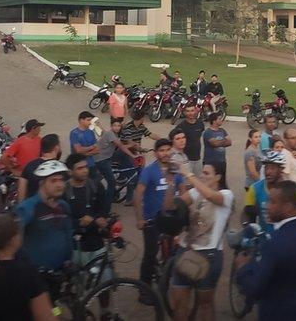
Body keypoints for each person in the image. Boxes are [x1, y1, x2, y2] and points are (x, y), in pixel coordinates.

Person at [237, 180, 296, 321]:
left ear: (288, 207)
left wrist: (243, 268)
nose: (267, 206)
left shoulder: (274, 242)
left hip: (277, 312)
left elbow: (254, 288)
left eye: (272, 202)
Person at [170, 162, 233, 321]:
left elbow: (211, 196)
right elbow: (173, 206)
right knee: (179, 304)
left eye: (206, 173)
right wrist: (170, 180)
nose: (202, 176)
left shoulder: (226, 195)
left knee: (205, 305)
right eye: (201, 173)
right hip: (185, 251)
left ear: (218, 177)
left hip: (208, 256)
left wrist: (188, 175)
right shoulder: (195, 192)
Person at [133, 138, 186, 285]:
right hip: (152, 220)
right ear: (156, 154)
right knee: (150, 255)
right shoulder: (149, 171)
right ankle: (144, 288)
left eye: (168, 150)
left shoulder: (176, 169)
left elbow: (183, 194)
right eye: (161, 151)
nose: (165, 153)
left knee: (177, 252)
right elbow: (137, 195)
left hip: (172, 219)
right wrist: (139, 219)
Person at [14, 160, 73, 273]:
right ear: (42, 183)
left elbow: (68, 235)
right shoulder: (27, 208)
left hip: (60, 273)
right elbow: (13, 242)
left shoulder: (64, 206)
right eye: (53, 181)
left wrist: (68, 260)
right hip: (34, 275)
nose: (60, 185)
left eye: (62, 180)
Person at [63, 154, 110, 282]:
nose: (85, 170)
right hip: (74, 247)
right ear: (70, 171)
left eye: (86, 167)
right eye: (79, 168)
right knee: (74, 285)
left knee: (104, 282)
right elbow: (61, 220)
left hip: (96, 243)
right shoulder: (63, 191)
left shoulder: (96, 186)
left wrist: (98, 219)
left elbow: (104, 209)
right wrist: (78, 223)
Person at [244, 151, 296, 234]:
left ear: (281, 169)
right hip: (265, 239)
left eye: (272, 168)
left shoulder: (292, 188)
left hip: (288, 236)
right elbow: (247, 212)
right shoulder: (254, 188)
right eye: (266, 168)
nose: (268, 172)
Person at [93, 117, 135, 204]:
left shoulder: (111, 134)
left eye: (118, 126)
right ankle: (122, 177)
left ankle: (123, 177)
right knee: (125, 156)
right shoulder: (111, 134)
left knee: (125, 157)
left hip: (106, 157)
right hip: (103, 159)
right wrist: (133, 156)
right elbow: (121, 146)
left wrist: (99, 125)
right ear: (111, 126)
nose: (117, 127)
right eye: (114, 125)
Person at [19, 134, 62, 200]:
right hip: (54, 207)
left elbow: (21, 192)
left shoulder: (29, 165)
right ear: (56, 148)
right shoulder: (61, 167)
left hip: (32, 207)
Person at [169, 104, 205, 175]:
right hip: (186, 160)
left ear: (195, 111)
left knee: (198, 181)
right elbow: (171, 139)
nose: (190, 113)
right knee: (187, 182)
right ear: (184, 113)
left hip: (198, 159)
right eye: (188, 111)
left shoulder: (200, 123)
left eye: (192, 110)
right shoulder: (181, 126)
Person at [69, 111, 100, 181]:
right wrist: (91, 147)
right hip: (79, 166)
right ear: (81, 120)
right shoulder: (74, 133)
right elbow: (78, 150)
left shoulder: (91, 132)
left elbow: (97, 149)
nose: (90, 122)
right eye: (88, 120)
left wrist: (84, 153)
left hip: (91, 164)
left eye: (91, 120)